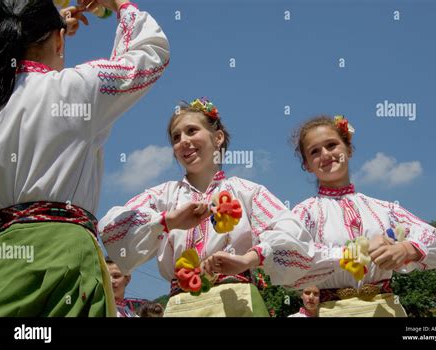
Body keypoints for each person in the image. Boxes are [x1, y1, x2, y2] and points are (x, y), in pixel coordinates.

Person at [0, 0, 169, 316]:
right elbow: (150, 55)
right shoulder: (76, 88)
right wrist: (121, 4)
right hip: (66, 257)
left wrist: (54, 27)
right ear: (59, 41)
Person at [99, 98, 313, 317]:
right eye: (176, 137)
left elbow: (294, 235)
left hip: (237, 302)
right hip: (181, 307)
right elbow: (111, 228)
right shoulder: (163, 196)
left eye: (191, 131)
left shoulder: (246, 191)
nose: (183, 140)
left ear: (218, 137)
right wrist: (167, 221)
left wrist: (247, 260)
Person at [289, 115, 436, 317]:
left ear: (348, 149)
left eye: (332, 145)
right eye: (314, 151)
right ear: (307, 165)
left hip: (386, 311)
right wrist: (349, 255)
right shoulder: (305, 213)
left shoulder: (384, 209)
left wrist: (406, 249)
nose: (325, 154)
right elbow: (287, 260)